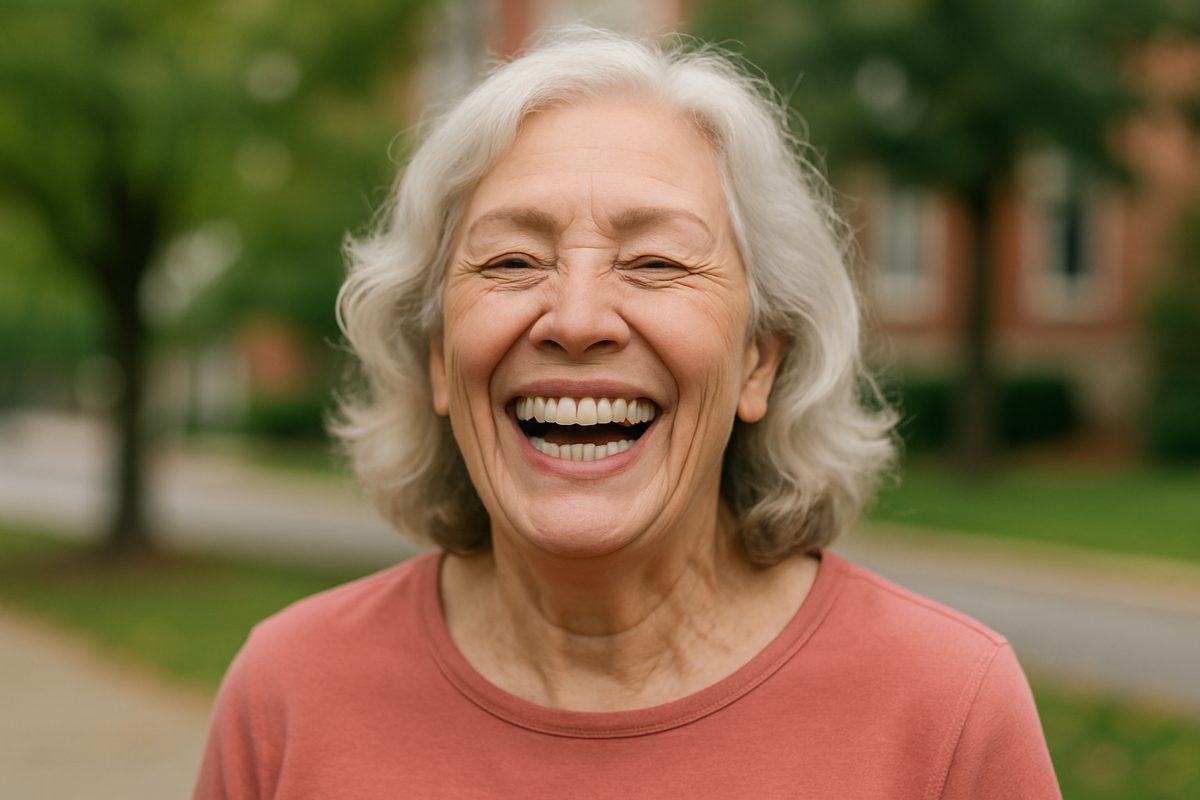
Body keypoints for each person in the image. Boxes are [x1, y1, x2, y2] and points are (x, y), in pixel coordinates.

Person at [194, 28, 1060, 799]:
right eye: (510, 262)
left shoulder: (946, 710)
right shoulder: (289, 693)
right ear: (437, 360)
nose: (575, 320)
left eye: (654, 262)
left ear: (761, 357)